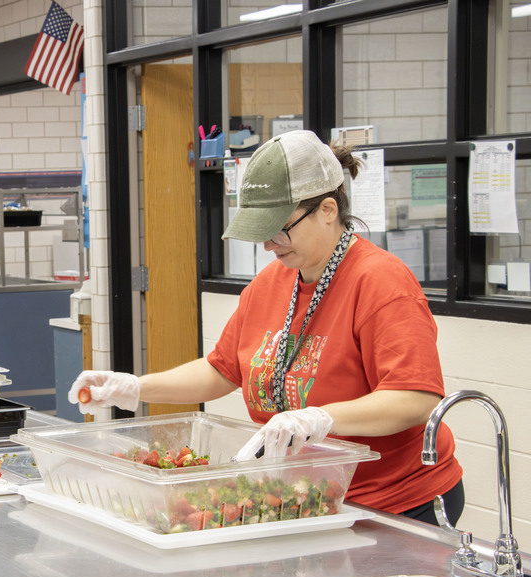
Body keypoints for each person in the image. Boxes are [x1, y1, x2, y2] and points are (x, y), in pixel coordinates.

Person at [69, 129, 463, 526]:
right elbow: (221, 370)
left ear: (328, 210)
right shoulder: (272, 283)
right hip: (301, 497)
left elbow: (416, 398)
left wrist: (318, 418)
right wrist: (135, 387)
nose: (269, 245)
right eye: (262, 232)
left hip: (391, 504)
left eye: (280, 229)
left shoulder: (380, 282)